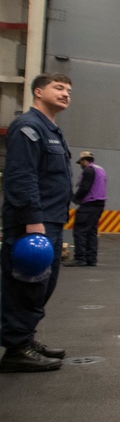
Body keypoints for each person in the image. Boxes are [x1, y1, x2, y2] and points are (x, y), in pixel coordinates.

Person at [0, 73, 74, 372]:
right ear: (38, 91)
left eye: (69, 90)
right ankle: (17, 348)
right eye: (59, 88)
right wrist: (33, 222)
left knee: (41, 285)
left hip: (50, 221)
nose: (66, 93)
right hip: (34, 224)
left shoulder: (50, 129)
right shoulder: (28, 127)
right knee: (24, 286)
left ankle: (25, 338)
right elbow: (22, 177)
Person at [67, 151, 107, 267]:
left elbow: (85, 188)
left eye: (81, 162)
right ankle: (91, 259)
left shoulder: (88, 171)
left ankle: (79, 258)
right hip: (99, 205)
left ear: (84, 161)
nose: (80, 165)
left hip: (89, 205)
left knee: (80, 231)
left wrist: (75, 198)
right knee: (91, 232)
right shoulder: (100, 169)